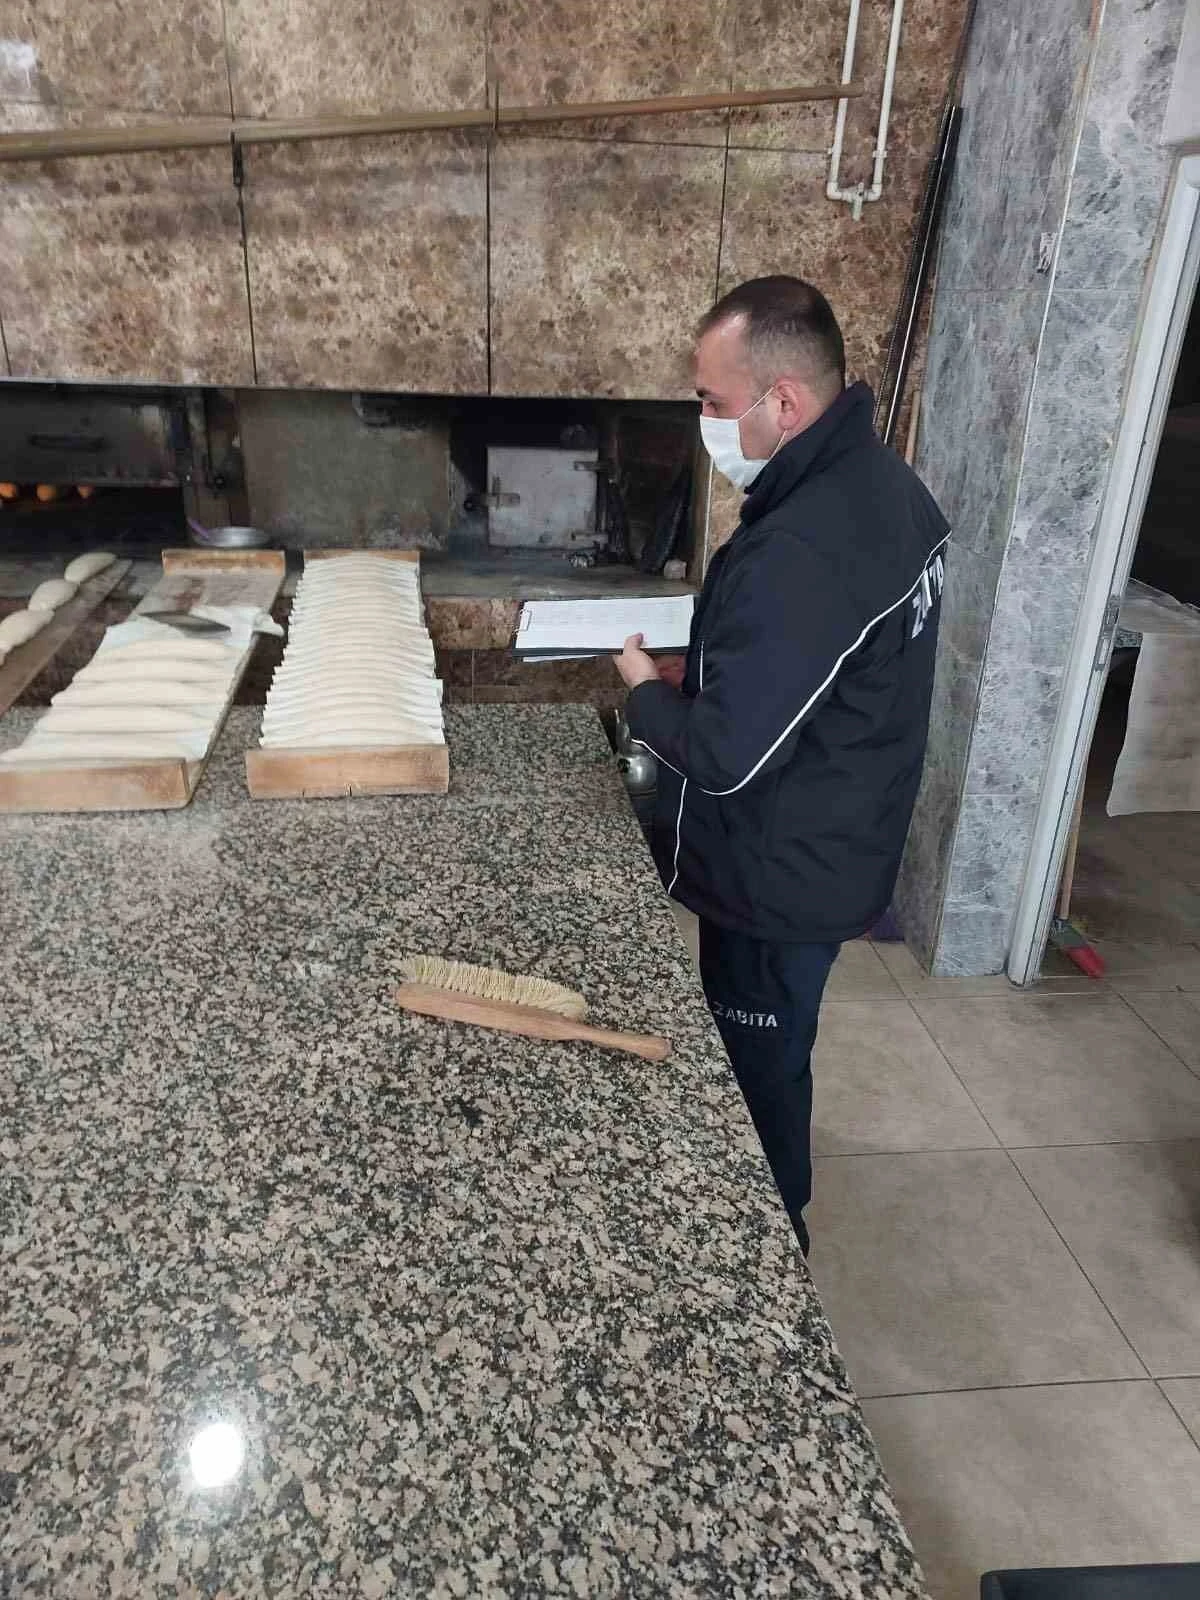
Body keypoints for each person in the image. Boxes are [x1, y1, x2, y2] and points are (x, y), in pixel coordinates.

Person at [614, 276, 949, 1257]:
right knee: (777, 1046)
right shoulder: (884, 488)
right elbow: (824, 666)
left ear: (785, 401)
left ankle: (771, 1255)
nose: (708, 421)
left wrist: (642, 694)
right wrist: (710, 672)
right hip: (840, 835)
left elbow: (725, 758)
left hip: (781, 873)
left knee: (755, 1070)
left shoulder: (804, 544)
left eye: (714, 401)